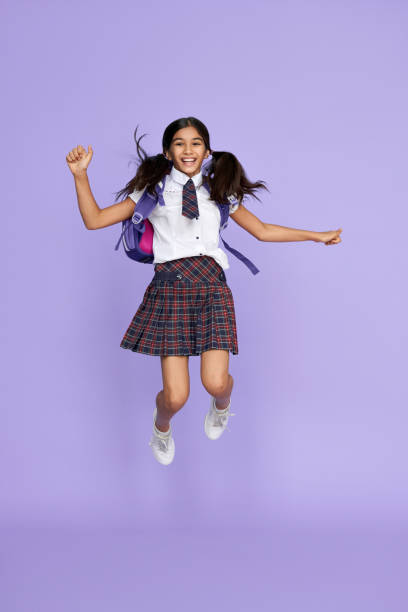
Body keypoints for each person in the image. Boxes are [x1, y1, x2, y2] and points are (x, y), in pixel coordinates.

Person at [66, 116, 342, 467]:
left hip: (212, 288)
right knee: (176, 397)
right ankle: (161, 428)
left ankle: (222, 406)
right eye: (179, 143)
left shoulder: (220, 192)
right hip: (170, 288)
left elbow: (263, 230)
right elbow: (94, 220)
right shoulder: (151, 192)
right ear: (168, 152)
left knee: (215, 382)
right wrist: (80, 176)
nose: (188, 149)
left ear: (207, 151)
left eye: (196, 143)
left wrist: (316, 235)